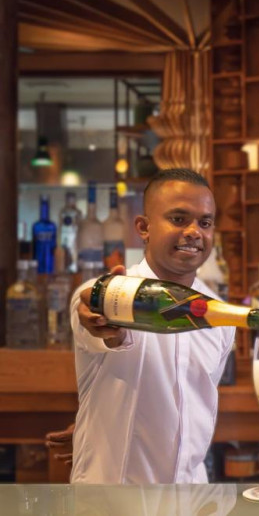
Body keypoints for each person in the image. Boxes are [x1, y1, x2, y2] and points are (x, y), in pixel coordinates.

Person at [69, 169, 235, 484]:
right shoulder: (109, 295)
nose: (194, 232)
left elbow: (189, 407)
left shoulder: (219, 315)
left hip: (189, 496)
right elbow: (93, 319)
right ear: (144, 228)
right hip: (113, 500)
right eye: (178, 219)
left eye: (205, 223)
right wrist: (106, 324)